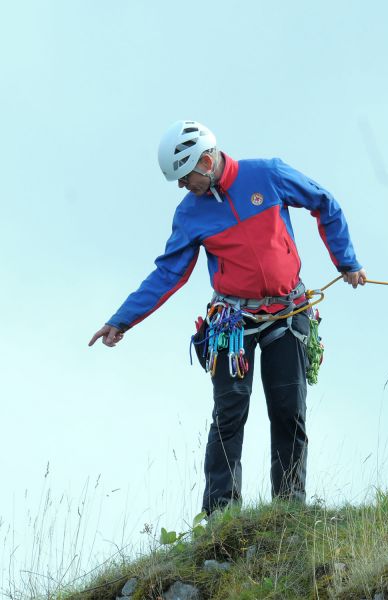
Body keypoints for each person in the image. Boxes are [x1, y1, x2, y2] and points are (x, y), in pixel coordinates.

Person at [89, 120, 367, 513]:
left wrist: (347, 261)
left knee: (289, 411)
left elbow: (324, 202)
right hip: (232, 323)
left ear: (205, 161)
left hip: (289, 313)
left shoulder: (267, 175)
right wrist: (122, 319)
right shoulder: (189, 215)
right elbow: (169, 272)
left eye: (185, 178)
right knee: (229, 414)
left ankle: (289, 509)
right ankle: (221, 514)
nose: (183, 187)